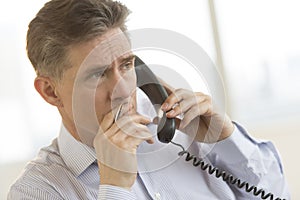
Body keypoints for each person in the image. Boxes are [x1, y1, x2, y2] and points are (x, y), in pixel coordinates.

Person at [8, 0, 290, 199]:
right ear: (50, 91)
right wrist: (115, 187)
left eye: (127, 65)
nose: (121, 90)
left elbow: (277, 194)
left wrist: (226, 139)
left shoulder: (183, 133)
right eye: (97, 74)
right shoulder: (37, 191)